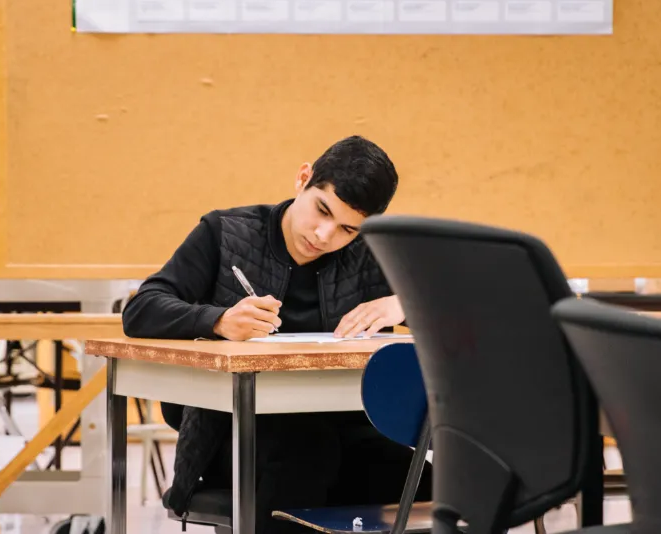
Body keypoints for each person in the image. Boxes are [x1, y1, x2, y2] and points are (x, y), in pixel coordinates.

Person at [122, 135, 431, 533]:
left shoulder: (369, 253)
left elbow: (468, 309)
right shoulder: (225, 232)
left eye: (347, 229)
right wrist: (217, 321)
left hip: (345, 431)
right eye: (321, 210)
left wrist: (404, 304)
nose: (324, 235)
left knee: (432, 487)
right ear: (303, 178)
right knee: (305, 453)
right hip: (235, 436)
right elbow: (142, 308)